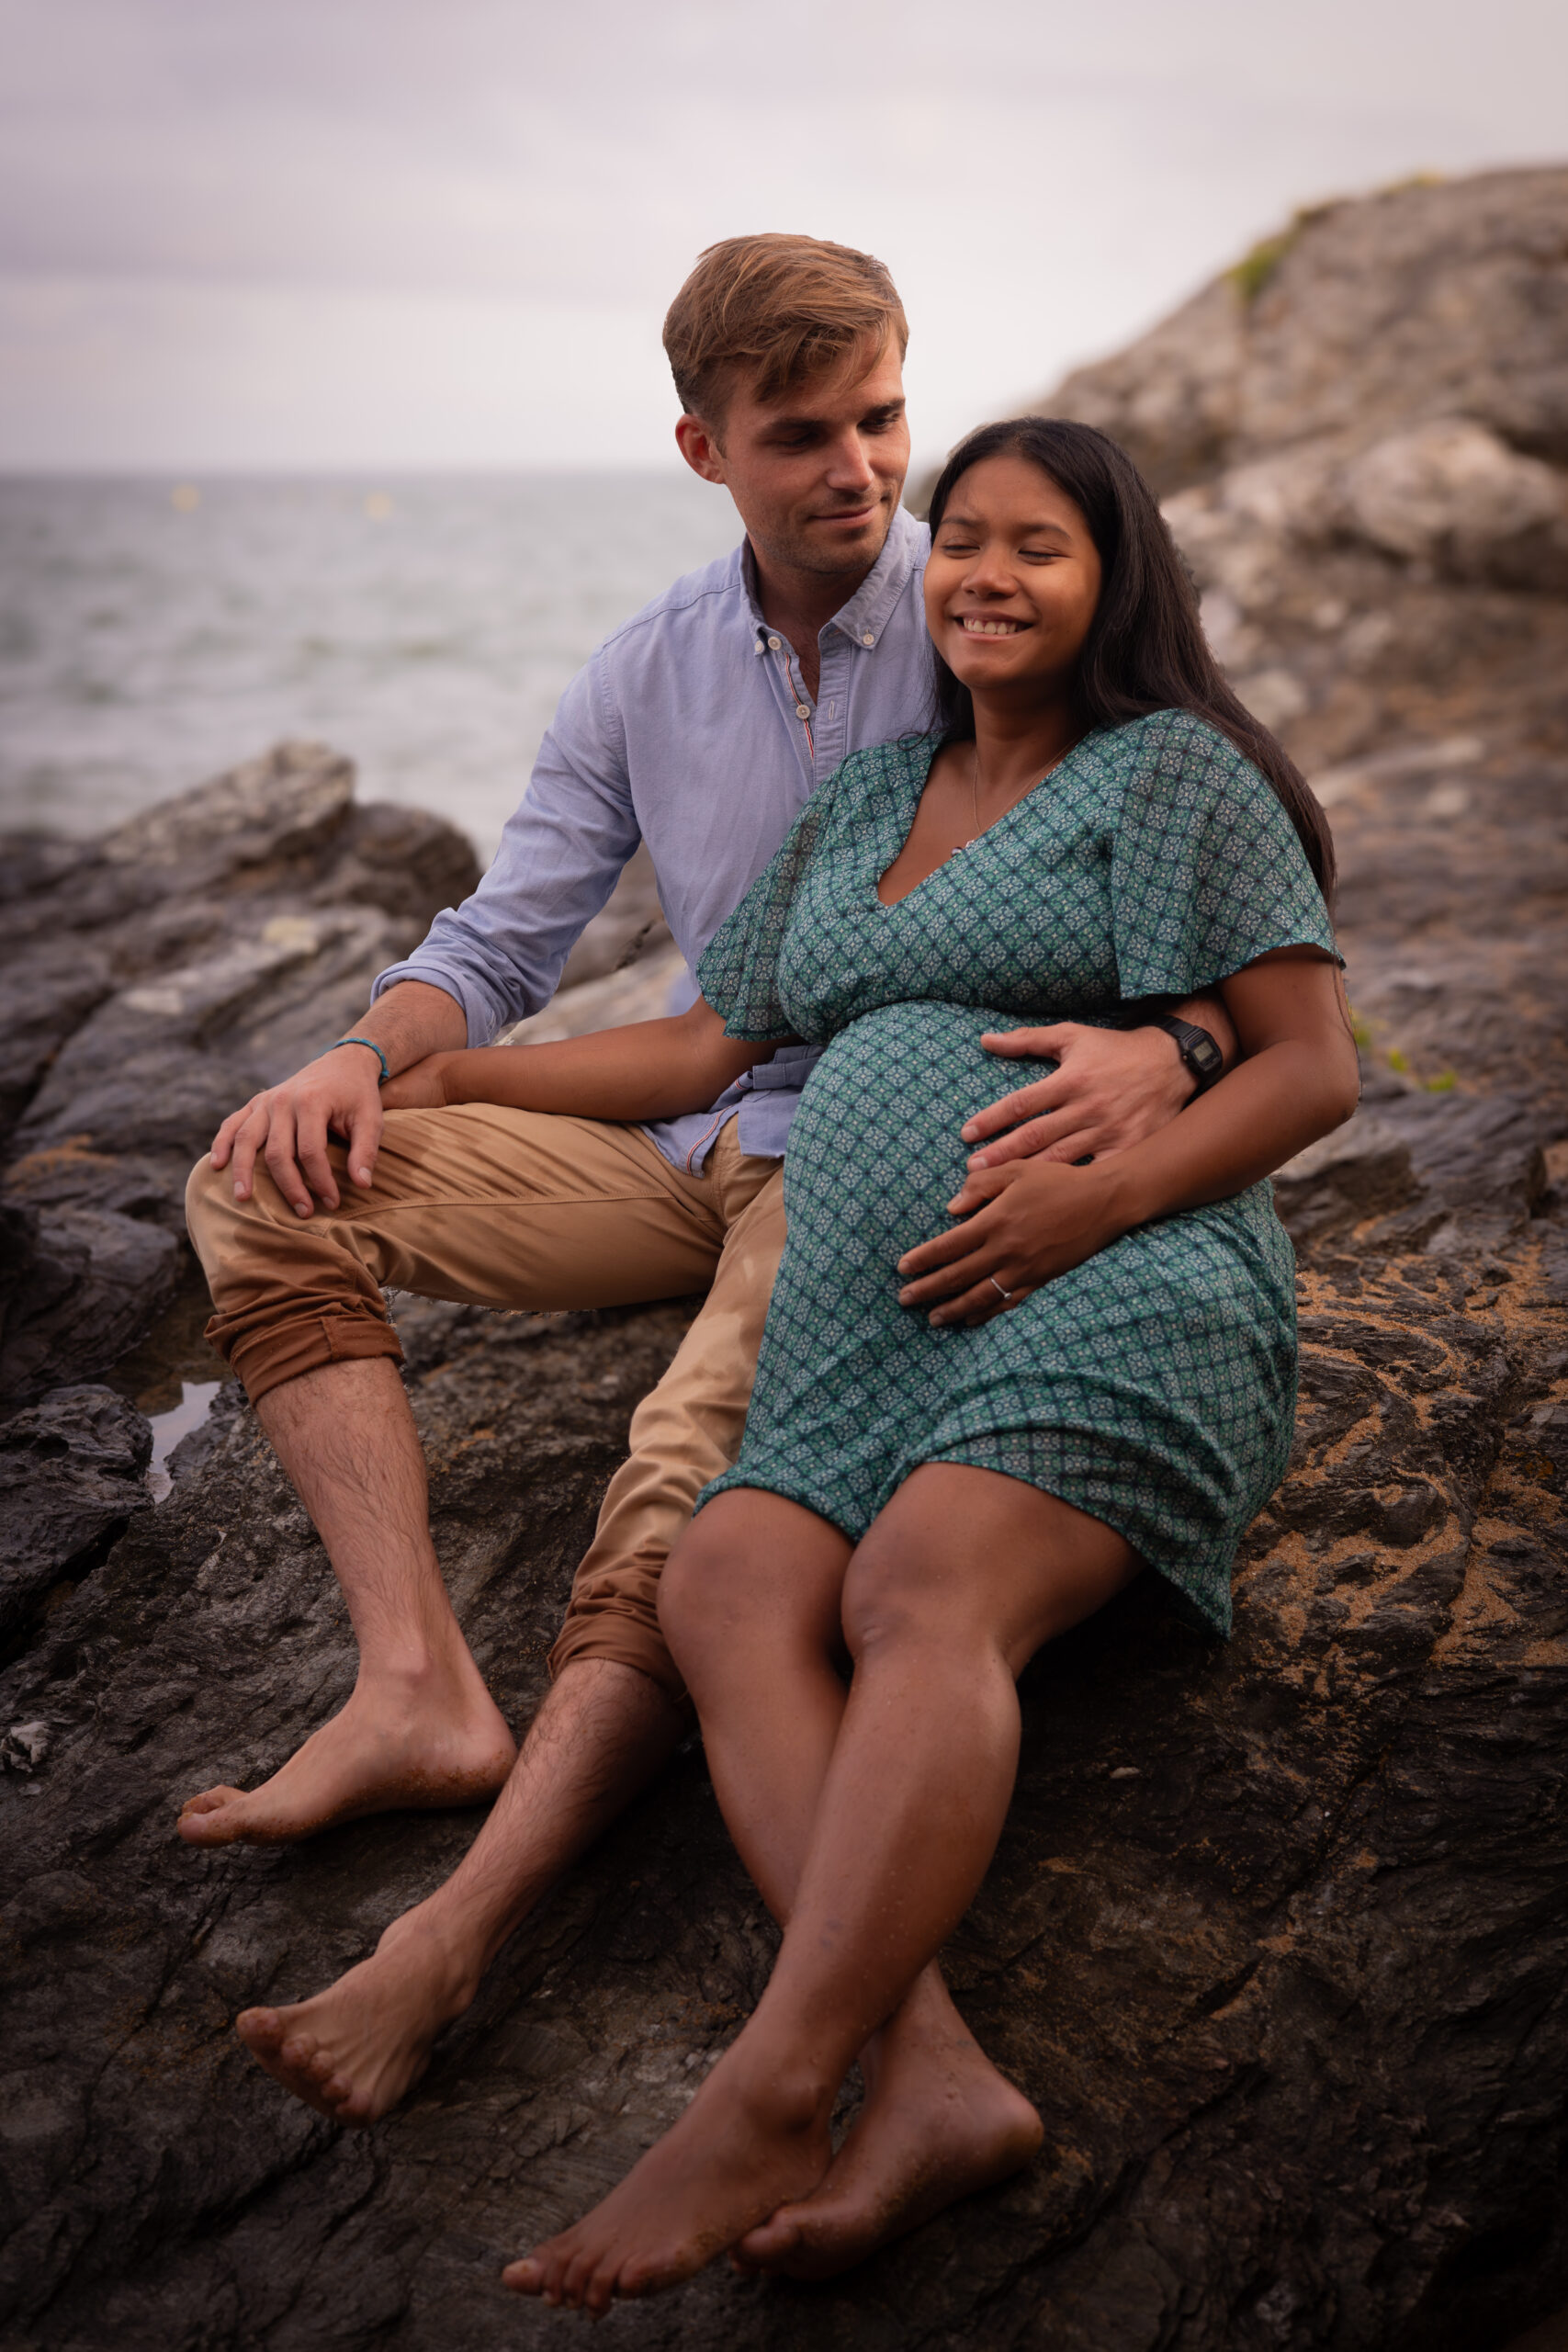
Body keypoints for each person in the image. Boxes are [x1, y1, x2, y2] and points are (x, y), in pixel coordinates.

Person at [180, 239, 1233, 2146]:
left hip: (878, 1165)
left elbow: (1195, 866)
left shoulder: (998, 604)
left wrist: (1181, 1043)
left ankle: (461, 1927)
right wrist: (360, 1049)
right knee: (261, 1181)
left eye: (879, 417)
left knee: (683, 1489)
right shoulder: (647, 667)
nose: (857, 467)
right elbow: (505, 934)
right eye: (800, 434)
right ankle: (414, 1680)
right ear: (701, 447)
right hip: (673, 1137)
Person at [459, 416, 1358, 2309]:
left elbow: (1307, 1065)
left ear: (1114, 579)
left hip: (1124, 1280)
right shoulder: (871, 802)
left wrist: (1093, 1202)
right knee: (719, 1575)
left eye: (1039, 545)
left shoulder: (1168, 776)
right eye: (962, 541)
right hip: (875, 1327)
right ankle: (928, 2075)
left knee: (911, 1586)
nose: (985, 576)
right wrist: (440, 1064)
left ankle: (775, 2082)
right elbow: (705, 1045)